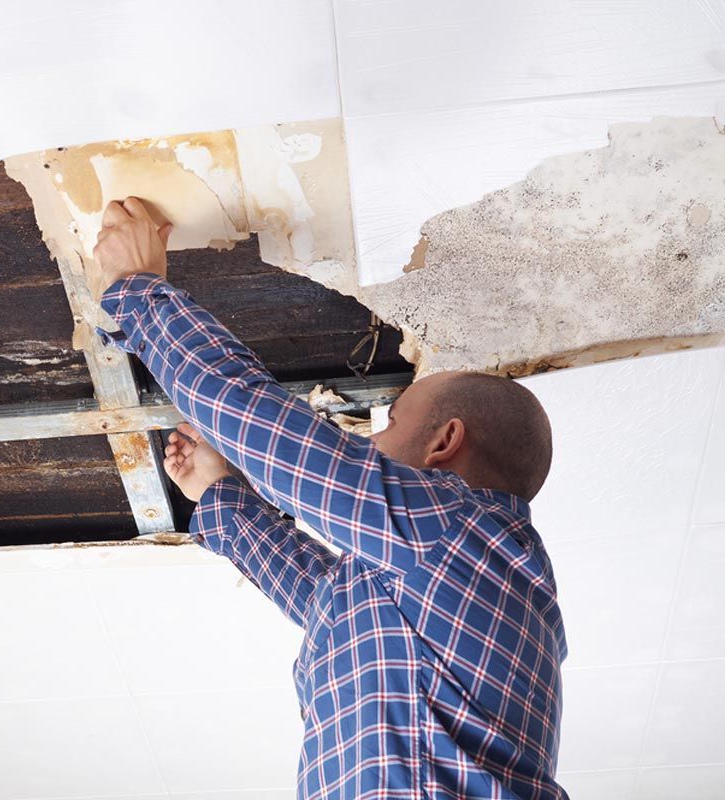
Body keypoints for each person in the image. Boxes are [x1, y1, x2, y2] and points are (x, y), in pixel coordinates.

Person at [87, 197, 568, 800]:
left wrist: (217, 491)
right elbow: (327, 580)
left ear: (445, 442)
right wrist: (136, 291)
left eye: (390, 423)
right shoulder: (459, 546)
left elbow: (276, 449)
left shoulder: (456, 535)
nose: (370, 441)